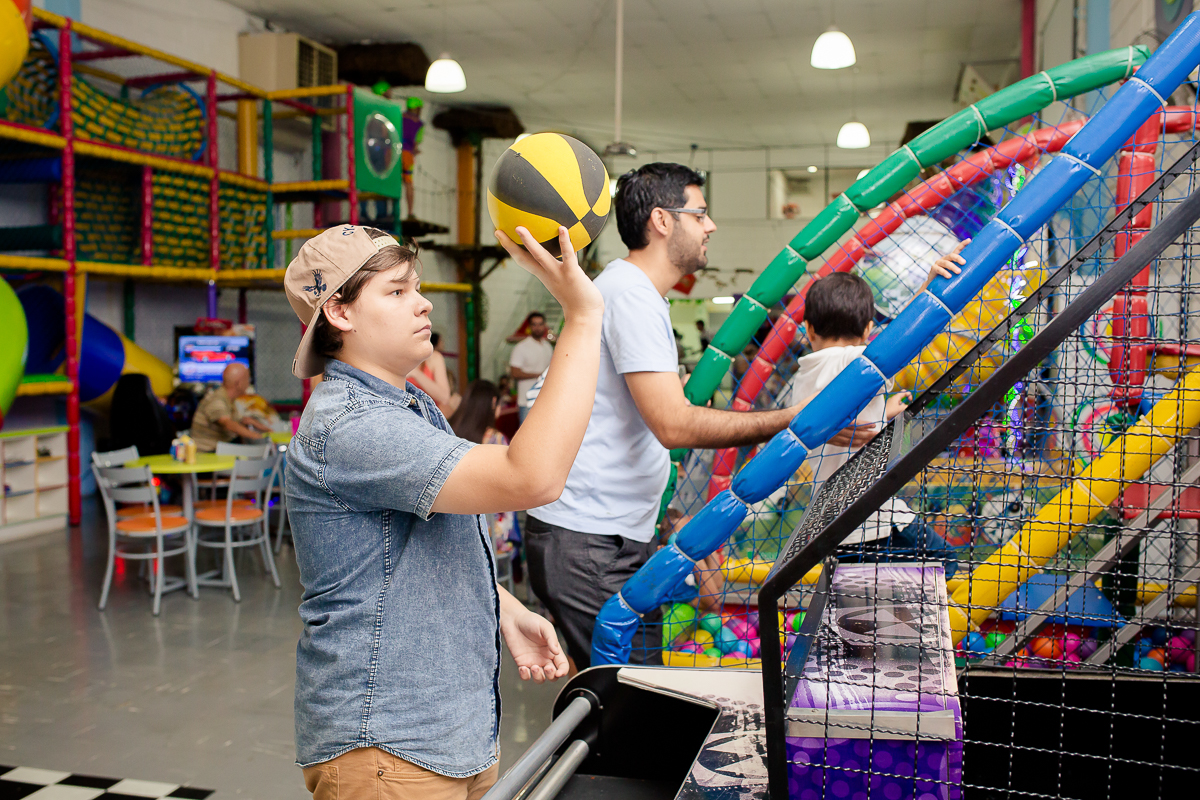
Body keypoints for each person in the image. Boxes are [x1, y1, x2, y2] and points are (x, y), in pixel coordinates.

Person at [284, 222, 600, 800]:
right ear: (341, 313)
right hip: (387, 746)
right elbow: (530, 477)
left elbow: (403, 550)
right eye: (397, 291)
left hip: (445, 736)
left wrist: (500, 605)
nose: (423, 302)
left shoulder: (407, 407)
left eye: (416, 287)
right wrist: (582, 316)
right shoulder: (350, 424)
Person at [524, 162, 875, 670]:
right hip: (587, 542)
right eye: (701, 213)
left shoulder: (632, 293)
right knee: (627, 699)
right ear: (663, 221)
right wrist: (794, 418)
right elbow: (674, 424)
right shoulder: (631, 296)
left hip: (604, 535)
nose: (710, 226)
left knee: (627, 694)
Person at [787, 252, 967, 579]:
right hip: (875, 521)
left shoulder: (805, 374)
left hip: (836, 524)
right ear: (869, 330)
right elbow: (903, 335)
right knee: (945, 562)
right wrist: (928, 285)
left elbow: (844, 416)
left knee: (862, 599)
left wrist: (883, 410)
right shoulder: (856, 361)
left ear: (809, 329)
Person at [449, 380, 517, 558]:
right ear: (493, 402)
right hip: (486, 531)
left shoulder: (448, 430)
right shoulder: (496, 439)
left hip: (449, 525)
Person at [190, 362, 270, 452]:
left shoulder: (230, 400)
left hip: (219, 452)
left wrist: (266, 430)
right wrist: (257, 437)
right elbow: (227, 423)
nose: (249, 383)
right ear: (239, 384)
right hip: (206, 454)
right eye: (248, 379)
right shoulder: (217, 399)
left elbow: (240, 420)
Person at [509, 312, 554, 424]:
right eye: (534, 324)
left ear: (545, 325)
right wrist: (539, 375)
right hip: (527, 401)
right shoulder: (521, 347)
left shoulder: (548, 346)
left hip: (546, 400)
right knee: (526, 439)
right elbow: (514, 373)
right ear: (529, 327)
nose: (537, 328)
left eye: (540, 324)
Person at [409, 330, 461, 415]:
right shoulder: (395, 357)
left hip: (430, 416)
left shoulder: (434, 358)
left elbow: (444, 397)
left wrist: (416, 373)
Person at [401, 97, 424, 219]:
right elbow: (416, 143)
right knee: (408, 182)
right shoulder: (419, 124)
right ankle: (410, 212)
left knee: (393, 182)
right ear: (417, 108)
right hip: (407, 155)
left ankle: (390, 212)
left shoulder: (399, 117)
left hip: (393, 153)